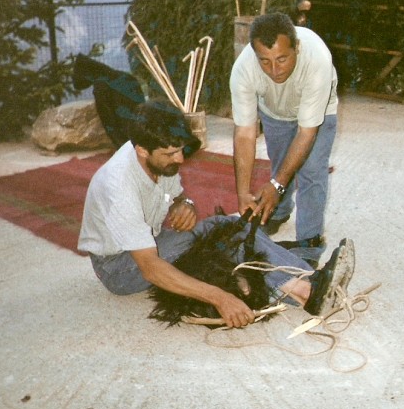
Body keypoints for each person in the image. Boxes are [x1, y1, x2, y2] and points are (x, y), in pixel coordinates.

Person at [78, 100, 354, 328]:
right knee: (226, 233)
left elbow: (175, 194)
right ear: (141, 150)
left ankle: (307, 284)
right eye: (171, 153)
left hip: (151, 239)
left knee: (231, 230)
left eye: (180, 150)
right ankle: (307, 290)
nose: (180, 159)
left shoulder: (158, 157)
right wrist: (219, 298)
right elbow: (150, 268)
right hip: (118, 266)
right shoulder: (118, 186)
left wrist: (184, 203)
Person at [230, 12, 338, 266]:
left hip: (319, 112)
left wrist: (276, 185)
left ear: (296, 47)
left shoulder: (317, 60)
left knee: (312, 171)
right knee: (280, 164)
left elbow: (307, 132)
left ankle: (309, 244)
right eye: (265, 61)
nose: (275, 70)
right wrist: (242, 193)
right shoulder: (243, 69)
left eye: (282, 59)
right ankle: (278, 211)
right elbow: (244, 134)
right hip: (274, 110)